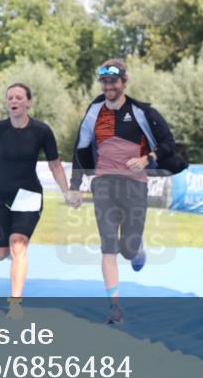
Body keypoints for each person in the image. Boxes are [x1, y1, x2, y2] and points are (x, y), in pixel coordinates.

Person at [68, 59, 186, 324]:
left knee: (128, 249)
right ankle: (115, 308)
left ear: (124, 82)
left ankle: (136, 247)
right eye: (105, 81)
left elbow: (169, 142)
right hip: (104, 183)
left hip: (135, 185)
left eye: (113, 81)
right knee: (108, 246)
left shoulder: (142, 112)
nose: (109, 86)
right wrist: (75, 187)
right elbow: (80, 149)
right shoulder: (94, 111)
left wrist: (147, 159)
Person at [0, 83, 73, 318]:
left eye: (19, 97)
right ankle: (16, 259)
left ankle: (15, 304)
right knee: (0, 254)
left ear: (29, 102)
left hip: (29, 193)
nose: (14, 101)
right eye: (10, 97)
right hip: (0, 193)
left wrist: (66, 191)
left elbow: (54, 164)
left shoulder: (41, 131)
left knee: (18, 243)